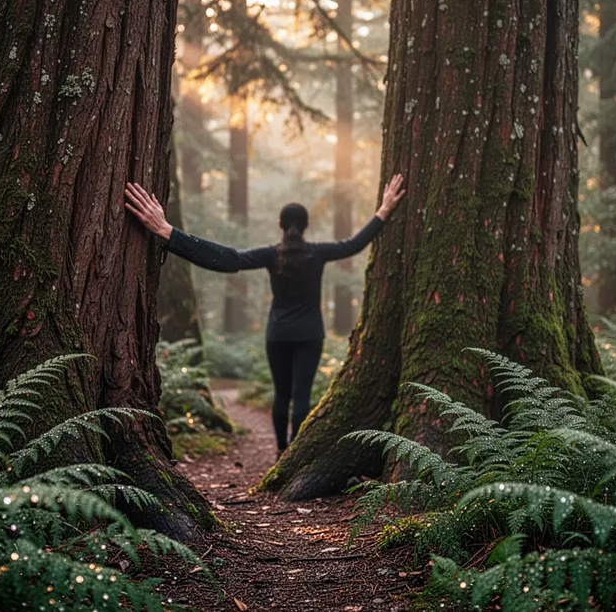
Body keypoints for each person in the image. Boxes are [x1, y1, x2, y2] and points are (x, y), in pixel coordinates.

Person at [124, 174, 406, 456]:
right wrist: (384, 209)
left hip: (279, 334)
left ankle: (282, 451)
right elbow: (353, 245)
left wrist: (167, 231)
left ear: (280, 225)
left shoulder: (272, 255)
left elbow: (228, 259)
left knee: (281, 395)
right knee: (301, 396)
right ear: (306, 226)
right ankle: (295, 452)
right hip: (310, 334)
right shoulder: (318, 253)